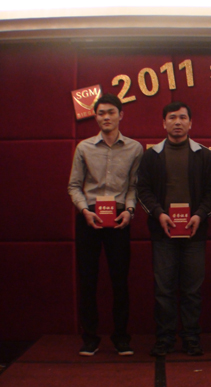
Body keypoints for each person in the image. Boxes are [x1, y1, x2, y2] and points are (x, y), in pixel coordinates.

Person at [137, 102, 211, 357]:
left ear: (191, 123)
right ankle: (165, 339)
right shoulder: (152, 156)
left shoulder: (204, 155)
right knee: (164, 290)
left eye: (183, 117)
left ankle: (191, 338)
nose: (178, 122)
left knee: (192, 290)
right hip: (163, 234)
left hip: (195, 234)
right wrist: (159, 214)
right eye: (172, 117)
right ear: (164, 123)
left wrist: (199, 216)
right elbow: (143, 190)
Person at [68, 93, 143, 356]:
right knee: (87, 279)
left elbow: (134, 187)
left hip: (120, 218)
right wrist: (84, 211)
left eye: (111, 112)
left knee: (120, 280)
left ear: (121, 115)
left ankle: (121, 337)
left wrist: (130, 211)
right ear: (96, 116)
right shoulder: (84, 147)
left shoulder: (135, 148)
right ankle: (90, 337)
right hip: (89, 217)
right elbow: (74, 186)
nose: (106, 117)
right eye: (101, 113)